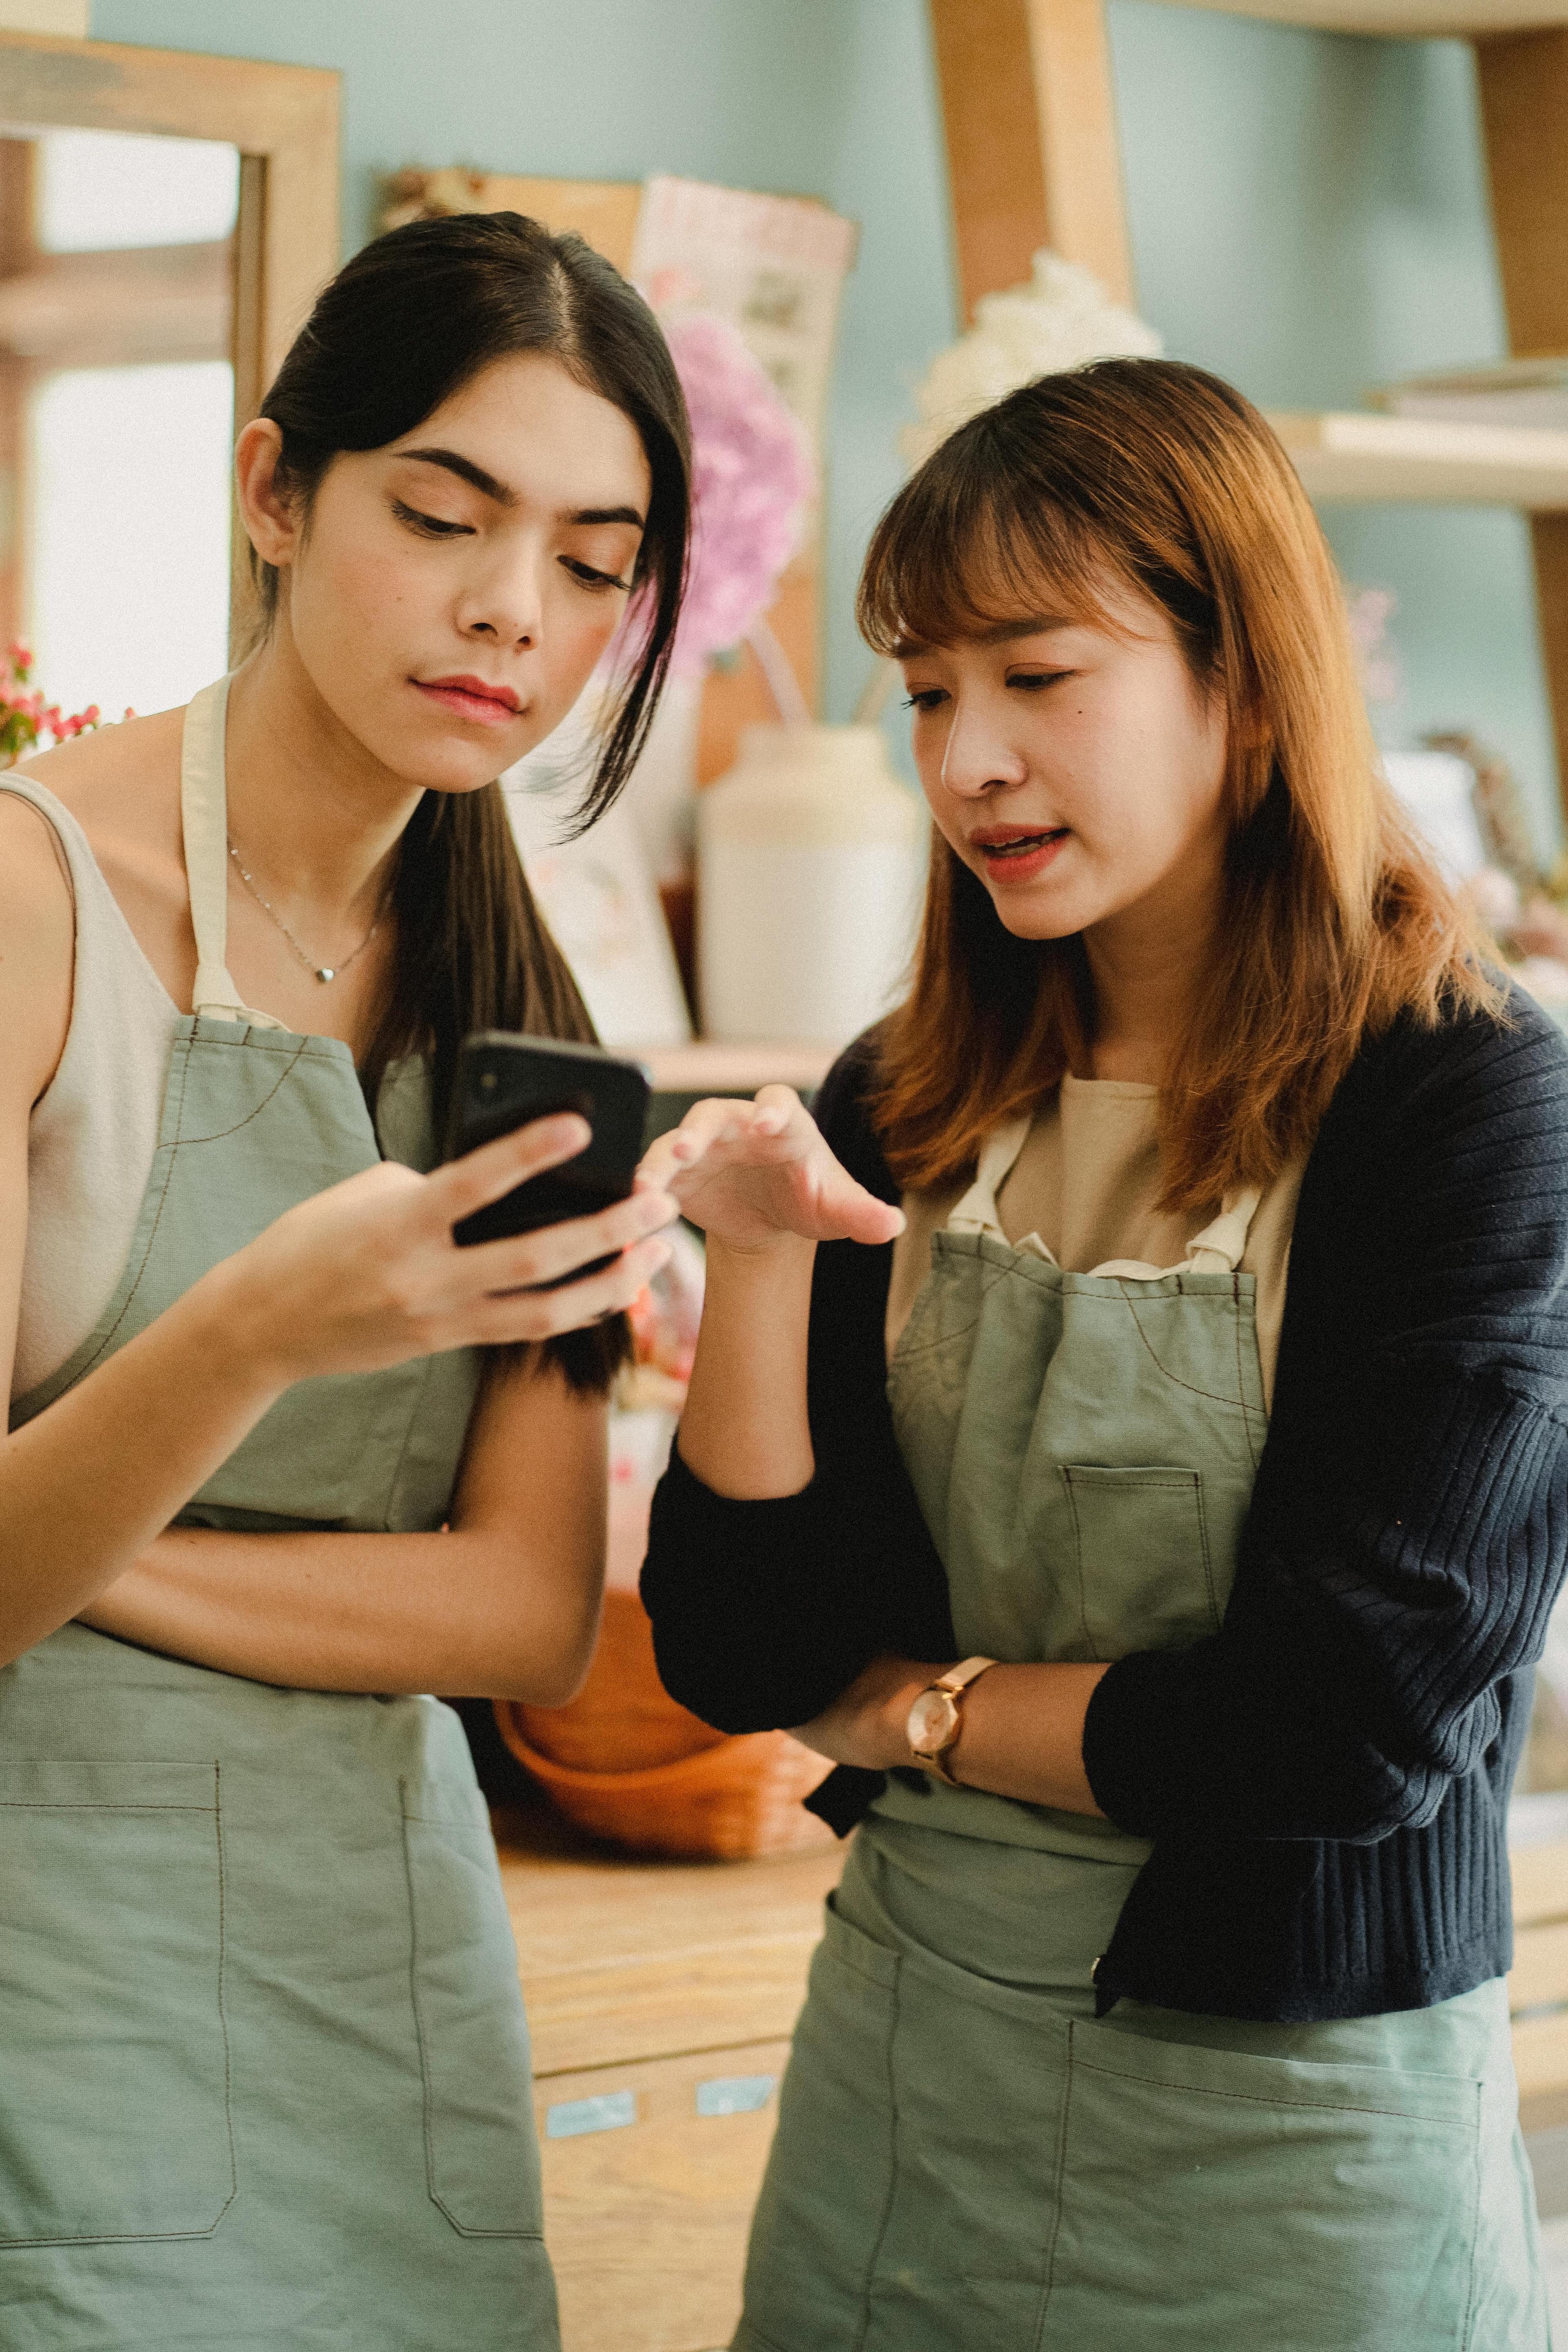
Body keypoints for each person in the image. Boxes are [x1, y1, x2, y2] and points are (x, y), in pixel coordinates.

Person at [639, 357, 1568, 2351]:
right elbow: (739, 1645)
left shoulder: (1460, 1106)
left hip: (1294, 2145)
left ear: (1246, 676)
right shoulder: (900, 1099)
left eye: (1038, 676)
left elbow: (1346, 1721)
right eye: (924, 690)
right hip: (905, 2082)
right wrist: (752, 1258)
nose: (967, 757)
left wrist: (926, 1717)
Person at [0, 210, 686, 2349]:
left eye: (592, 559)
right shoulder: (38, 905)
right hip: (51, 1956)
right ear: (276, 495)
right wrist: (259, 1333)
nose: (513, 610)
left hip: (382, 1978)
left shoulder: (521, 978)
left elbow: (521, 1608)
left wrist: (98, 1549)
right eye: (444, 514)